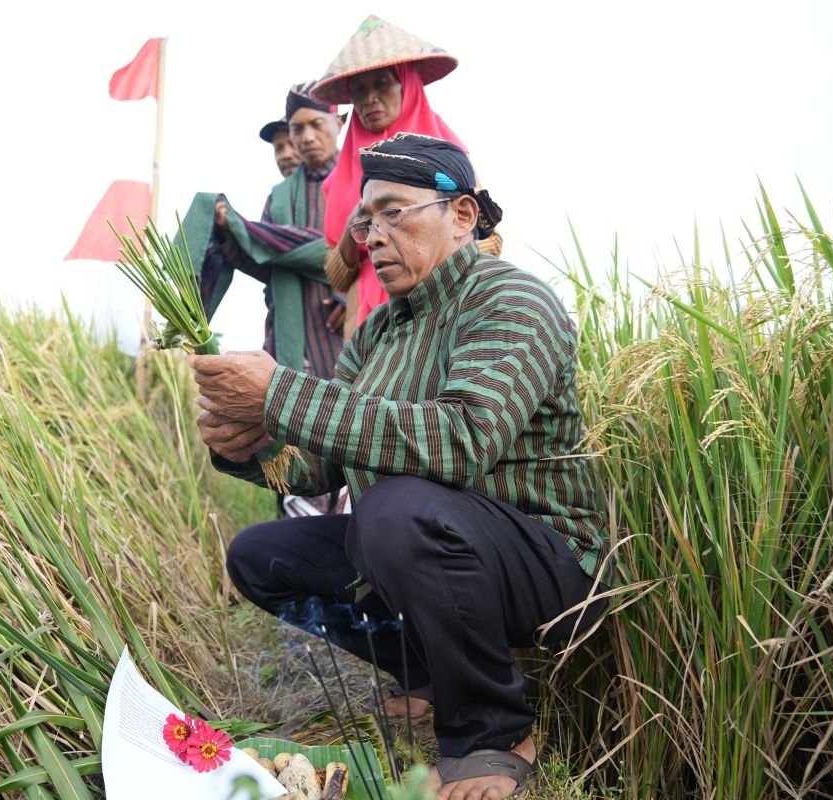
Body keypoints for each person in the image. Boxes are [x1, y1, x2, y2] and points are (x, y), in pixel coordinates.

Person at [189, 133, 607, 800]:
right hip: (427, 541)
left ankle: (492, 736)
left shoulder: (512, 302)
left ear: (462, 216)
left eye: (393, 212)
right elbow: (316, 466)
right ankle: (429, 675)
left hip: (546, 564)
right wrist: (251, 444)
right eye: (364, 220)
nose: (371, 237)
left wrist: (281, 395)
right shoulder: (380, 332)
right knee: (262, 554)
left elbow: (462, 439)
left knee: (395, 511)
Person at [310, 15, 504, 335]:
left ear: (407, 84)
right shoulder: (340, 176)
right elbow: (338, 276)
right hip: (368, 323)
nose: (370, 97)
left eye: (382, 83)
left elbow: (489, 240)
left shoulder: (448, 155)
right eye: (359, 89)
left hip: (443, 310)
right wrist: (357, 221)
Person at [177, 83, 345, 379]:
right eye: (295, 131)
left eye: (315, 125)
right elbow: (266, 258)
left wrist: (348, 294)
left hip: (343, 324)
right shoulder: (278, 196)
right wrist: (229, 234)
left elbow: (367, 247)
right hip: (287, 330)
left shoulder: (360, 176)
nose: (304, 139)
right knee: (289, 412)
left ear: (338, 123)